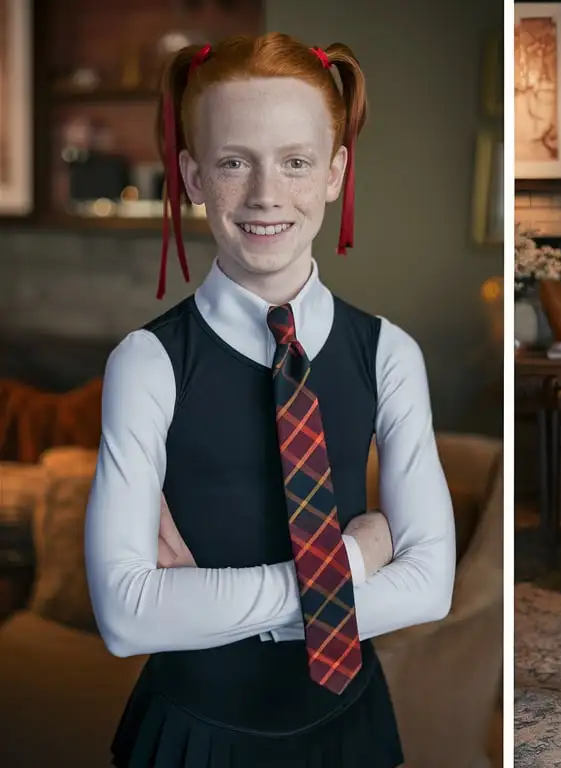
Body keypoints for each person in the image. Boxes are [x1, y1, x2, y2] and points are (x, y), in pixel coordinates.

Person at [83, 33, 456, 768]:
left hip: (354, 732)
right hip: (194, 736)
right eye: (232, 162)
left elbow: (430, 588)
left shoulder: (390, 355)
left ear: (334, 173)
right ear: (191, 176)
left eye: (295, 161)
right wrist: (352, 561)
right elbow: (126, 617)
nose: (264, 195)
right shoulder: (148, 363)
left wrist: (202, 605)